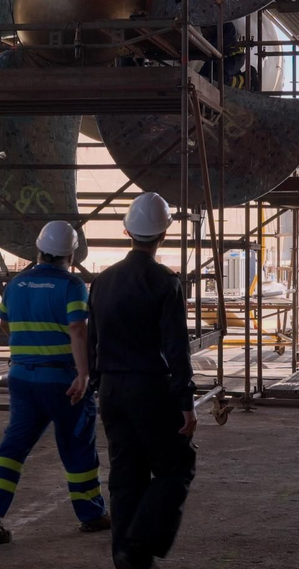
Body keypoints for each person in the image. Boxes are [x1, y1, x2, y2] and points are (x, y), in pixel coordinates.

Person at [0, 220, 109, 545]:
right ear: (71, 254)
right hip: (62, 380)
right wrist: (84, 373)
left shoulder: (17, 284)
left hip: (22, 377)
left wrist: (27, 348)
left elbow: (5, 323)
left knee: (13, 445)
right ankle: (91, 514)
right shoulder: (72, 285)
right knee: (77, 446)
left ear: (38, 249)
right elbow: (78, 329)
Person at [89, 192, 198, 569]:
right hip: (149, 389)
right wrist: (185, 401)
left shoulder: (102, 281)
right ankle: (140, 541)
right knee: (175, 467)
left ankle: (125, 555)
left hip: (111, 391)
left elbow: (92, 340)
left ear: (127, 231)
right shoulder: (165, 282)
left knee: (125, 474)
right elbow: (176, 347)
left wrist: (91, 386)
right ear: (164, 234)